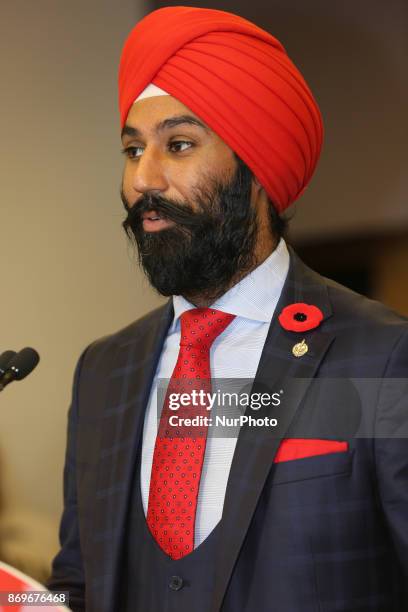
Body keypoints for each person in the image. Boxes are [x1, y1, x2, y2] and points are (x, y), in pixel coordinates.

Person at [46, 6, 408, 612]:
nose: (143, 180)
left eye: (178, 145)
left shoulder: (380, 354)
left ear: (256, 167)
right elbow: (74, 589)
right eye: (132, 151)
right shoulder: (103, 371)